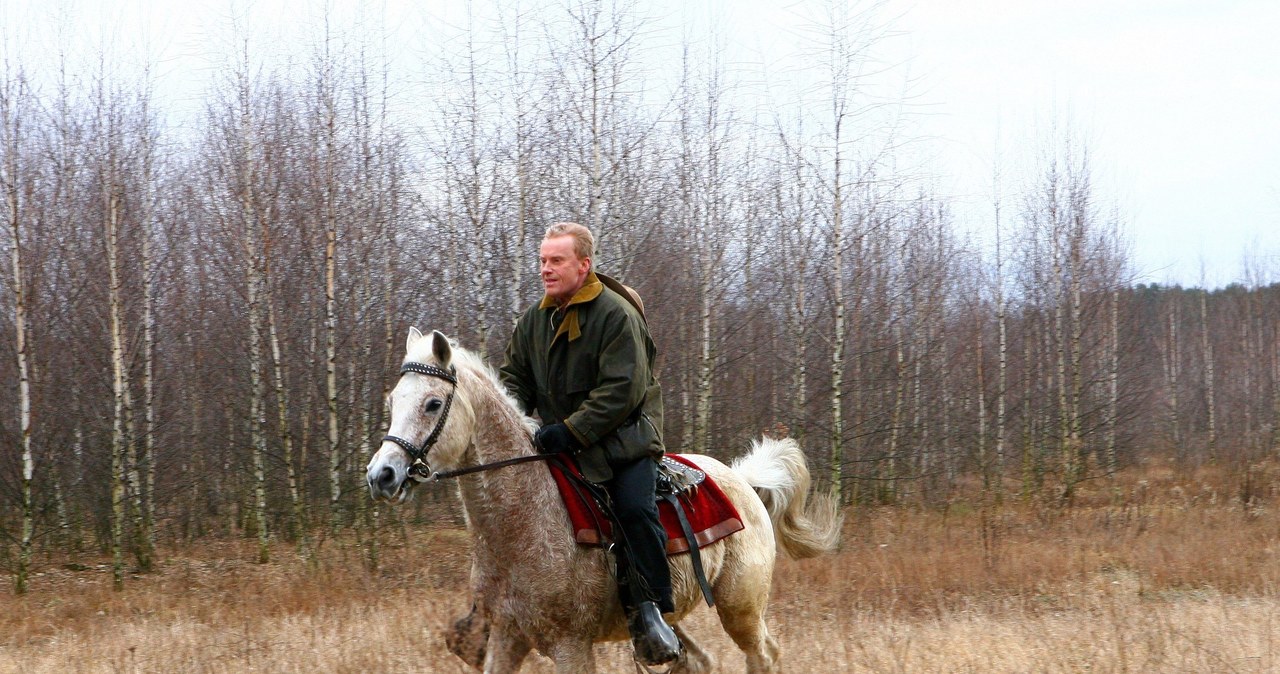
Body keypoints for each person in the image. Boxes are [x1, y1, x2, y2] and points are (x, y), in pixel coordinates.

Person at [499, 222, 681, 666]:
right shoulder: (533, 322)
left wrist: (570, 430)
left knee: (635, 511)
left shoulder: (617, 314)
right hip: (563, 445)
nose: (546, 269)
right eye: (542, 260)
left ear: (584, 265)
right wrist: (515, 421)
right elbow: (513, 380)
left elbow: (621, 391)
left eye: (556, 260)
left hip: (624, 444)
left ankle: (649, 613)